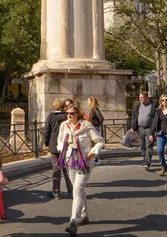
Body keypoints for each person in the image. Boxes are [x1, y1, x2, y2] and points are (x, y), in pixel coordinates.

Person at [59, 104, 105, 236]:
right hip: (70, 161)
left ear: (78, 114)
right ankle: (84, 215)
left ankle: (74, 222)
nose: (69, 115)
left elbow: (100, 141)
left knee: (77, 190)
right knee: (78, 189)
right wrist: (61, 149)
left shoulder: (86, 126)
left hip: (84, 162)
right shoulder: (64, 126)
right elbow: (60, 140)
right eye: (67, 113)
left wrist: (91, 154)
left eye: (72, 113)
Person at [44, 98, 73, 199]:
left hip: (53, 144)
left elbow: (46, 131)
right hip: (65, 144)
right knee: (66, 169)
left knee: (55, 168)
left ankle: (56, 191)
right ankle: (71, 191)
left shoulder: (51, 116)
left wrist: (46, 142)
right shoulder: (67, 116)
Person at [129, 92, 156, 170]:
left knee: (149, 146)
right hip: (140, 129)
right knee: (142, 146)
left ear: (147, 97)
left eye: (142, 97)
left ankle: (147, 163)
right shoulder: (138, 105)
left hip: (149, 129)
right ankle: (145, 160)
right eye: (139, 97)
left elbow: (154, 119)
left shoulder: (153, 106)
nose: (140, 99)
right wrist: (133, 127)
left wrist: (152, 131)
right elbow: (134, 116)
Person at [150, 94, 167, 178]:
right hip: (160, 134)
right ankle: (163, 167)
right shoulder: (158, 111)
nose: (165, 101)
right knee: (159, 151)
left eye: (166, 100)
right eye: (163, 100)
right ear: (160, 101)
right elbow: (154, 122)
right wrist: (151, 133)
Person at [87, 96, 104, 164]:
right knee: (93, 144)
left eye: (88, 101)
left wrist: (96, 125)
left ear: (92, 101)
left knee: (94, 144)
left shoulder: (95, 109)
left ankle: (96, 160)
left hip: (94, 128)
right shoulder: (93, 109)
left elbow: (101, 118)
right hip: (93, 127)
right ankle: (95, 159)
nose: (87, 102)